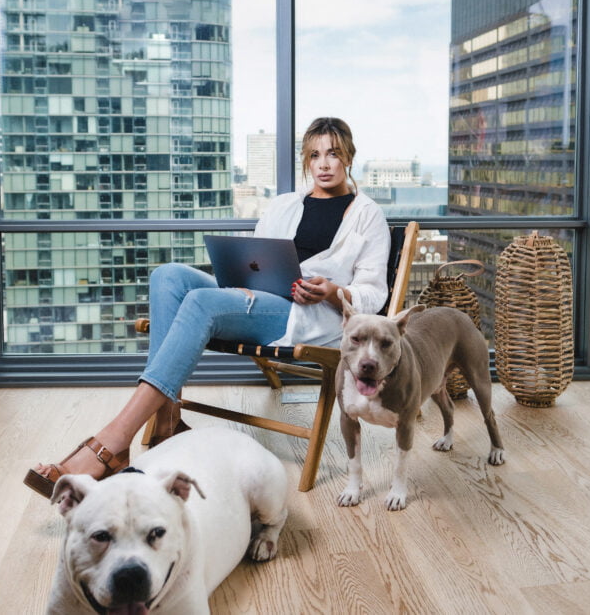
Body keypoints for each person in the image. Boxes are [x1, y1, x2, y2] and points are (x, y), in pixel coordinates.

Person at [24, 117, 391, 498]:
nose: (324, 164)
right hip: (257, 297)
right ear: (306, 161)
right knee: (168, 276)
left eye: (333, 153)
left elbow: (373, 294)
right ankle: (168, 421)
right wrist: (242, 277)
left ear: (348, 155)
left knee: (200, 301)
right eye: (314, 155)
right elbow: (258, 259)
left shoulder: (367, 215)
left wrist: (332, 292)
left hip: (306, 317)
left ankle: (113, 442)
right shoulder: (284, 205)